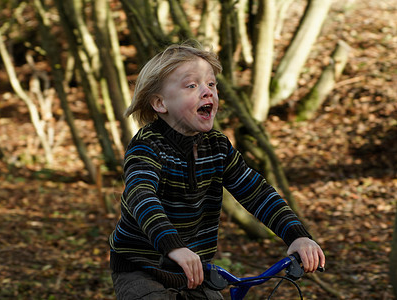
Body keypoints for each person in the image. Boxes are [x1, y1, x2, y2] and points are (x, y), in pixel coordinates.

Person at [109, 41, 325, 299]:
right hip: (142, 269)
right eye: (192, 85)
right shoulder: (148, 147)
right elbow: (141, 196)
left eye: (211, 84)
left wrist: (296, 235)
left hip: (194, 270)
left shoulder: (218, 147)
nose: (207, 91)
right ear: (159, 103)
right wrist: (173, 246)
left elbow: (257, 193)